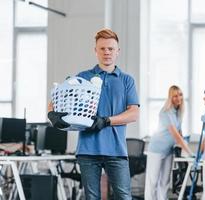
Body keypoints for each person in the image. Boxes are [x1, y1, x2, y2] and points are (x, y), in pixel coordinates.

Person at [48, 28, 139, 200]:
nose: (107, 52)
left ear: (117, 51)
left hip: (116, 150)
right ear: (95, 50)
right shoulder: (83, 77)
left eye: (111, 49)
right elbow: (57, 99)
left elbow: (134, 114)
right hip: (88, 150)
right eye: (102, 48)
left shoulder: (126, 80)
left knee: (124, 196)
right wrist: (52, 114)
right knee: (92, 197)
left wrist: (106, 121)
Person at [145, 85, 194, 200]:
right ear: (170, 98)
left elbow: (180, 133)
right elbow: (175, 135)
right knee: (153, 182)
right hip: (156, 149)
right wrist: (190, 152)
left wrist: (184, 146)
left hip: (168, 150)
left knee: (165, 182)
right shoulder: (166, 112)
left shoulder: (178, 112)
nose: (179, 98)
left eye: (180, 95)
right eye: (175, 96)